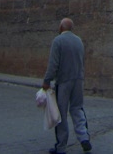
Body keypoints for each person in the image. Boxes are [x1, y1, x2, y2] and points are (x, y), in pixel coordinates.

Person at [42, 18, 92, 154]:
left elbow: (53, 64)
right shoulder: (79, 41)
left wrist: (47, 80)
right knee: (77, 108)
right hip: (78, 80)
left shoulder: (58, 41)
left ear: (60, 27)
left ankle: (61, 146)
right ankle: (84, 138)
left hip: (63, 81)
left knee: (61, 114)